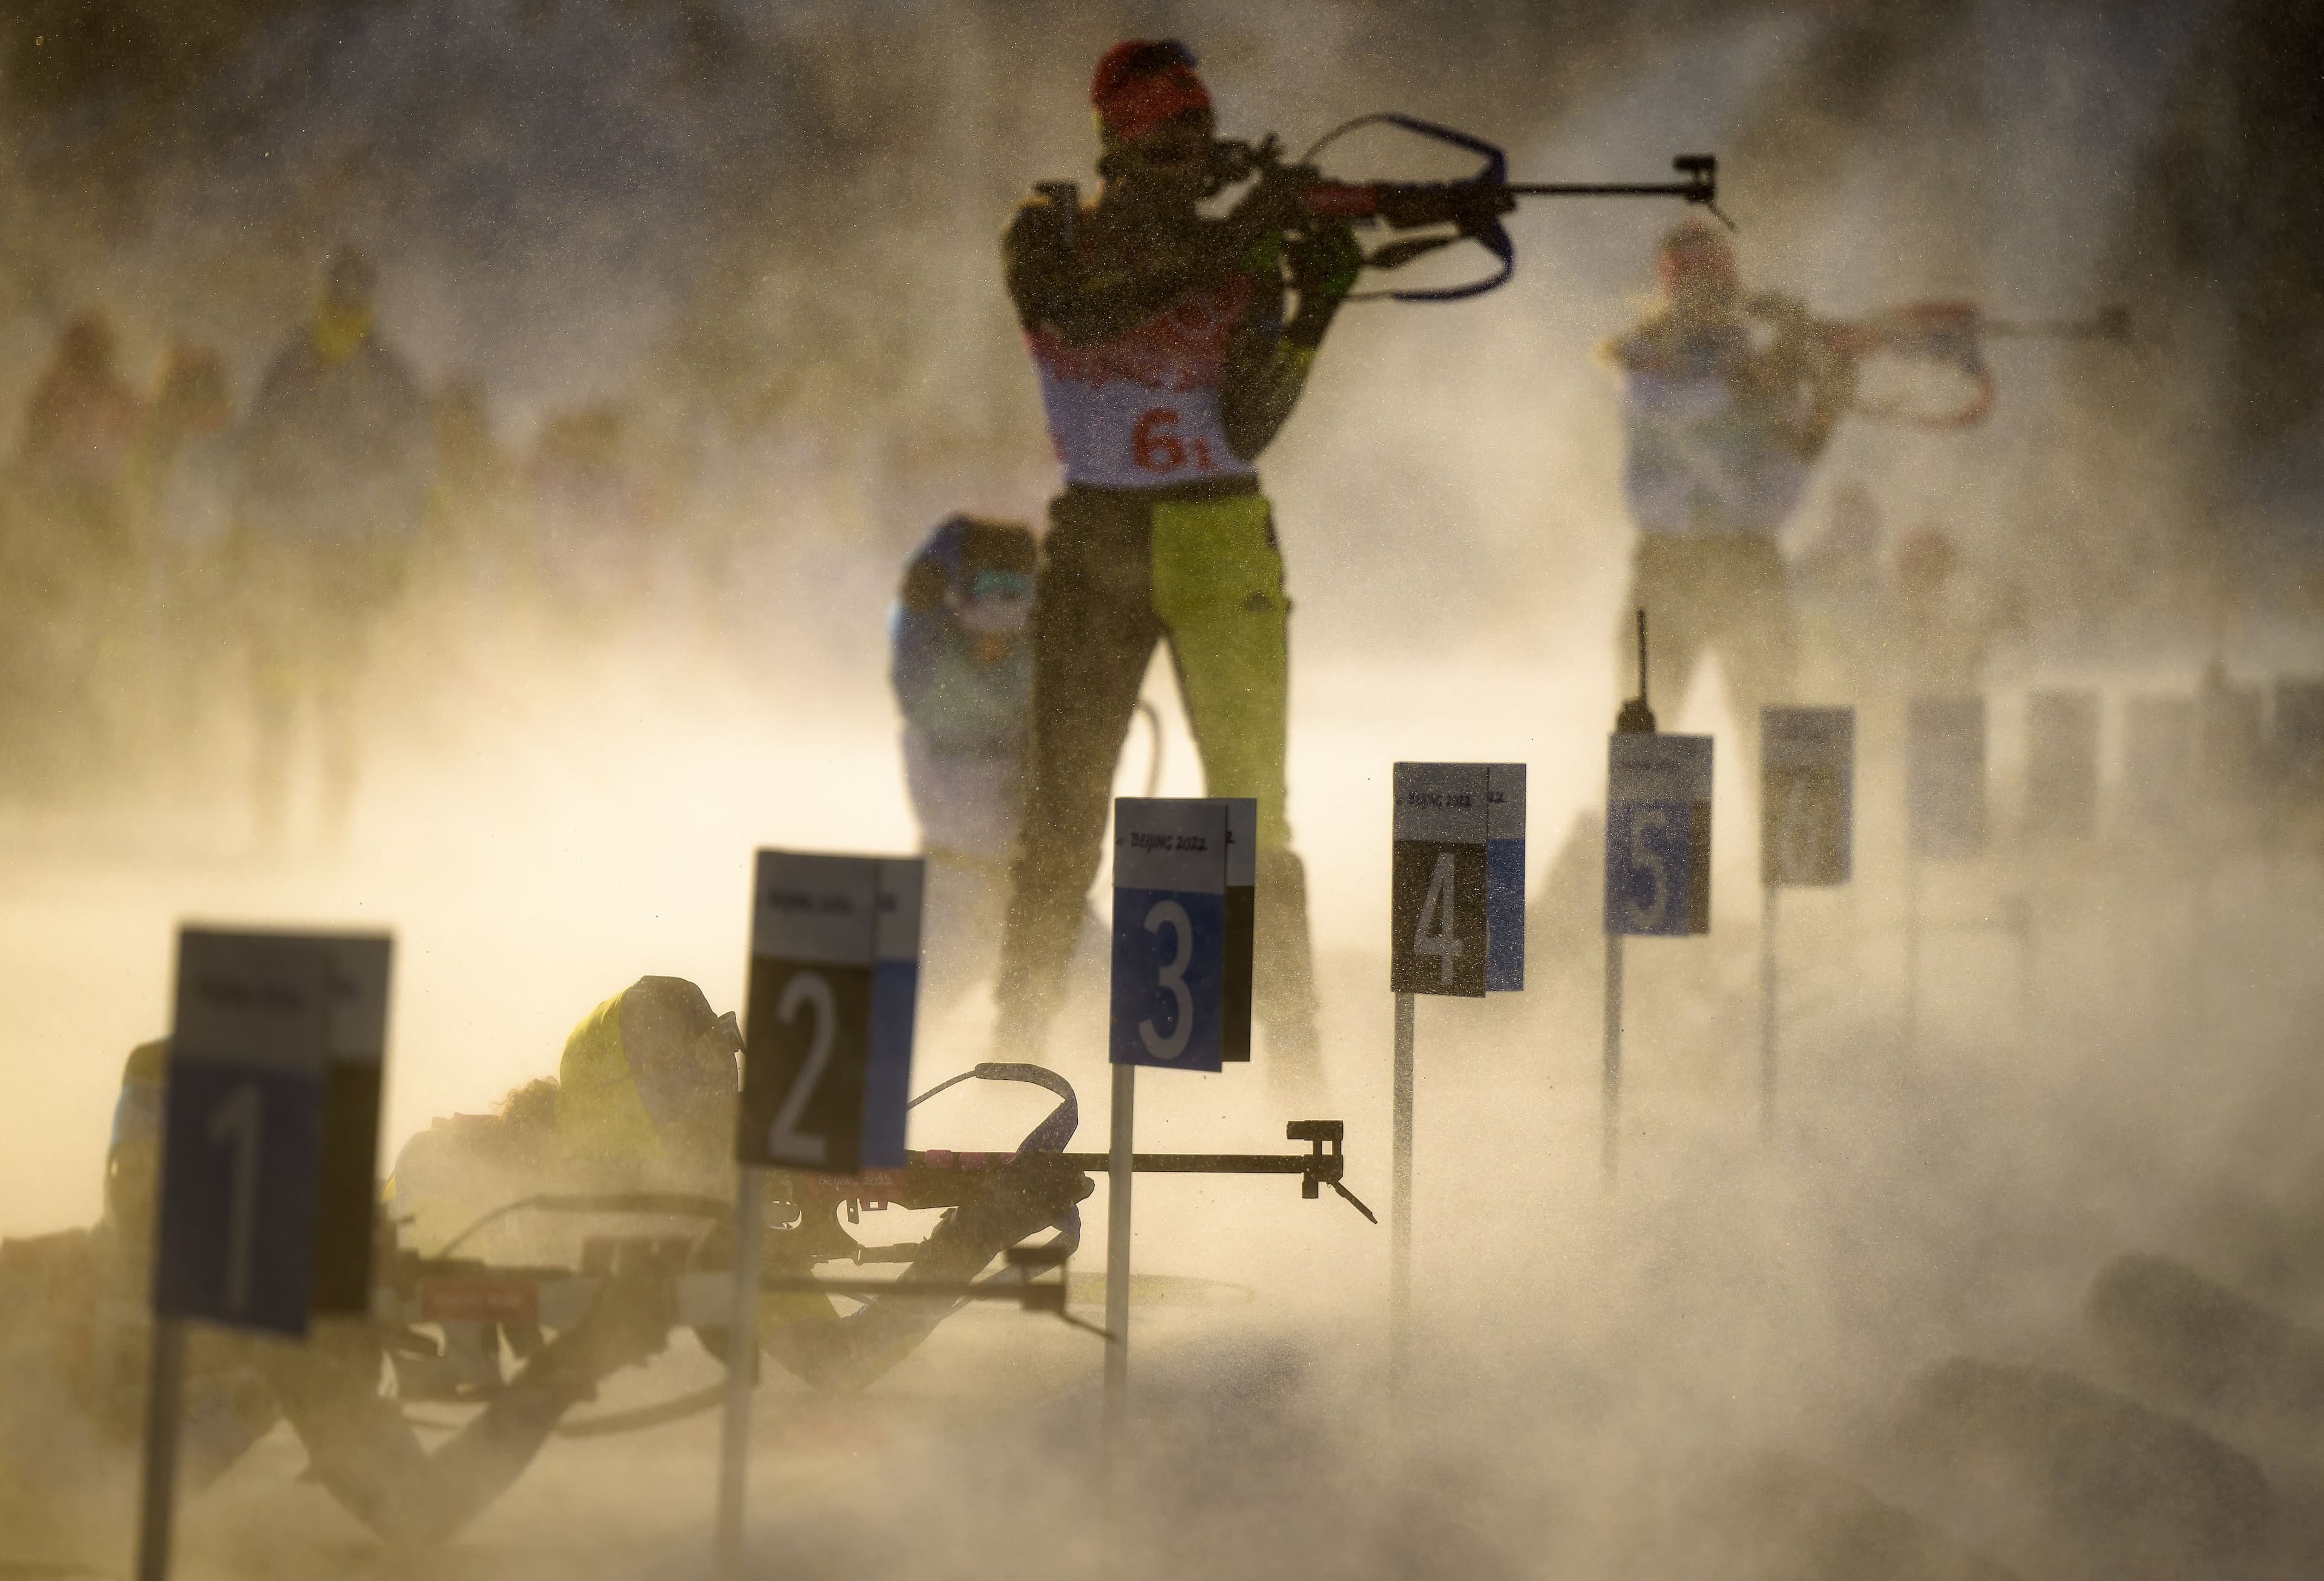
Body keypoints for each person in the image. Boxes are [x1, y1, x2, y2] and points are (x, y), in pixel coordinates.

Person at [994, 39, 1362, 1081]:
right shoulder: (1047, 228)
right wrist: (1240, 236)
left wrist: (1312, 315)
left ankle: (1297, 1077)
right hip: (1098, 538)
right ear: (1115, 146)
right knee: (1062, 821)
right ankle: (1013, 1060)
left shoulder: (1237, 254)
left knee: (1253, 815)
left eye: (1195, 137)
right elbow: (1079, 312)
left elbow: (1246, 425)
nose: (1183, 158)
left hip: (1221, 536)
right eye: (1161, 139)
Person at [0, 1042, 672, 1557]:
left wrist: (574, 1362)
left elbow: (422, 1512)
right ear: (117, 1169)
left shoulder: (285, 1323)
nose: (154, 1199)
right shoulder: (25, 1281)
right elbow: (96, 1511)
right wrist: (256, 1379)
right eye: (142, 1170)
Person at [385, 976, 1091, 1397]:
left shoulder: (663, 1185)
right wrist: (979, 1230)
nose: (719, 1123)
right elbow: (840, 1362)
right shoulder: (462, 1169)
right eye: (692, 1110)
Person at [1600, 220, 1860, 784]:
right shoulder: (1644, 352)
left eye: (1713, 280)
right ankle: (1623, 866)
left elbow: (1783, 479)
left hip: (1747, 560)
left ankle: (1793, 868)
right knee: (1646, 739)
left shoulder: (1757, 358)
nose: (1700, 298)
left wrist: (1826, 403)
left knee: (1778, 729)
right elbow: (1661, 405)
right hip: (1669, 564)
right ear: (1670, 287)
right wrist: (1757, 377)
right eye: (1687, 281)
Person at [232, 245, 433, 846]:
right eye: (337, 296)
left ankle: (328, 828)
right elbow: (257, 450)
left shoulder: (382, 375)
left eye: (352, 297)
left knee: (330, 693)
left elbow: (412, 470)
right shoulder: (296, 365)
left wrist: (395, 547)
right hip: (293, 547)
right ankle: (278, 824)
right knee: (286, 689)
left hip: (339, 551)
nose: (344, 308)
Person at [888, 514, 1039, 1016]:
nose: (993, 649)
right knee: (895, 1028)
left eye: (1016, 591)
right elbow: (916, 607)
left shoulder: (1041, 666)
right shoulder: (926, 669)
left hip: (1032, 891)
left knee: (1108, 1005)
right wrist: (949, 545)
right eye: (988, 588)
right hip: (947, 895)